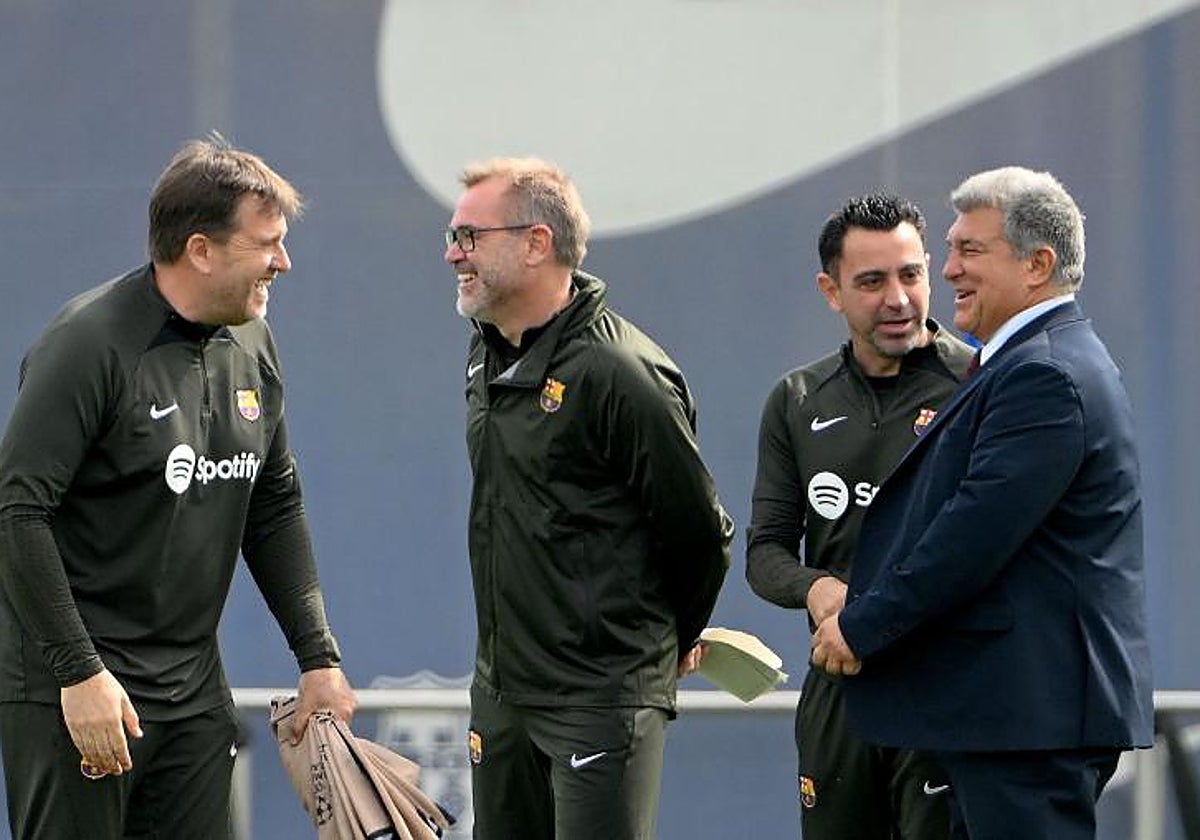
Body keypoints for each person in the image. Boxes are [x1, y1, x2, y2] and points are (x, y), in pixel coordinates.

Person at [0, 136, 356, 838]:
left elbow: (273, 502)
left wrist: (318, 656)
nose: (283, 262)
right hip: (79, 691)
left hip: (192, 695)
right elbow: (17, 510)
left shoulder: (253, 342)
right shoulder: (88, 343)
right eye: (267, 244)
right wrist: (78, 673)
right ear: (201, 250)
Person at [812, 166, 1153, 840]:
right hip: (1010, 718)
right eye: (950, 249)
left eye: (970, 250)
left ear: (1038, 265)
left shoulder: (1045, 373)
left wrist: (863, 625)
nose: (949, 270)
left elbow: (970, 537)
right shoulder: (1030, 361)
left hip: (1030, 721)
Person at [444, 157, 732, 840]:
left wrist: (665, 645)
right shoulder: (486, 353)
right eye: (453, 237)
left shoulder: (622, 371)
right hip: (503, 693)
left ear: (536, 243)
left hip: (600, 699)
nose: (453, 254)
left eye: (469, 236)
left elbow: (699, 533)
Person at [747, 193, 973, 839]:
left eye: (910, 275)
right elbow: (765, 553)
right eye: (872, 282)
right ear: (832, 291)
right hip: (838, 685)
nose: (898, 299)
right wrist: (817, 588)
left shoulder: (980, 385)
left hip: (943, 689)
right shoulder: (797, 399)